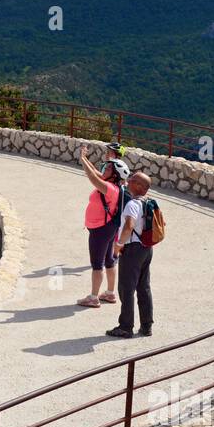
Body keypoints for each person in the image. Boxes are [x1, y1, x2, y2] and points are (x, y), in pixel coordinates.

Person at [76, 144, 129, 308]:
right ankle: (110, 293)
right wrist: (85, 159)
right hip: (108, 228)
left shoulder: (110, 188)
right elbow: (96, 174)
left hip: (100, 230)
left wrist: (82, 159)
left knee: (97, 264)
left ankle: (93, 297)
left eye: (107, 169)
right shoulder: (114, 185)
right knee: (110, 261)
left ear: (114, 175)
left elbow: (92, 178)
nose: (104, 170)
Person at [106, 171, 154, 339]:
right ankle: (146, 326)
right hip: (146, 249)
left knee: (126, 289)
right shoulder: (150, 202)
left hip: (132, 249)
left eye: (132, 180)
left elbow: (129, 226)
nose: (128, 181)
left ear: (139, 187)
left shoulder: (133, 204)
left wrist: (118, 245)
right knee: (143, 287)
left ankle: (126, 327)